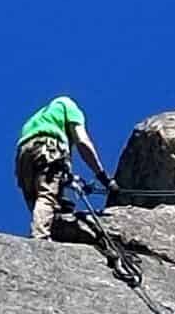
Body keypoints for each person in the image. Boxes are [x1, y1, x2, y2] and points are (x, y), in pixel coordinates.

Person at [15, 95, 116, 240]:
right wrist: (103, 176)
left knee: (42, 200)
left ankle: (50, 231)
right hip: (48, 148)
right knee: (47, 196)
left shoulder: (37, 120)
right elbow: (83, 142)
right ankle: (40, 238)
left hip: (24, 156)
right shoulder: (69, 106)